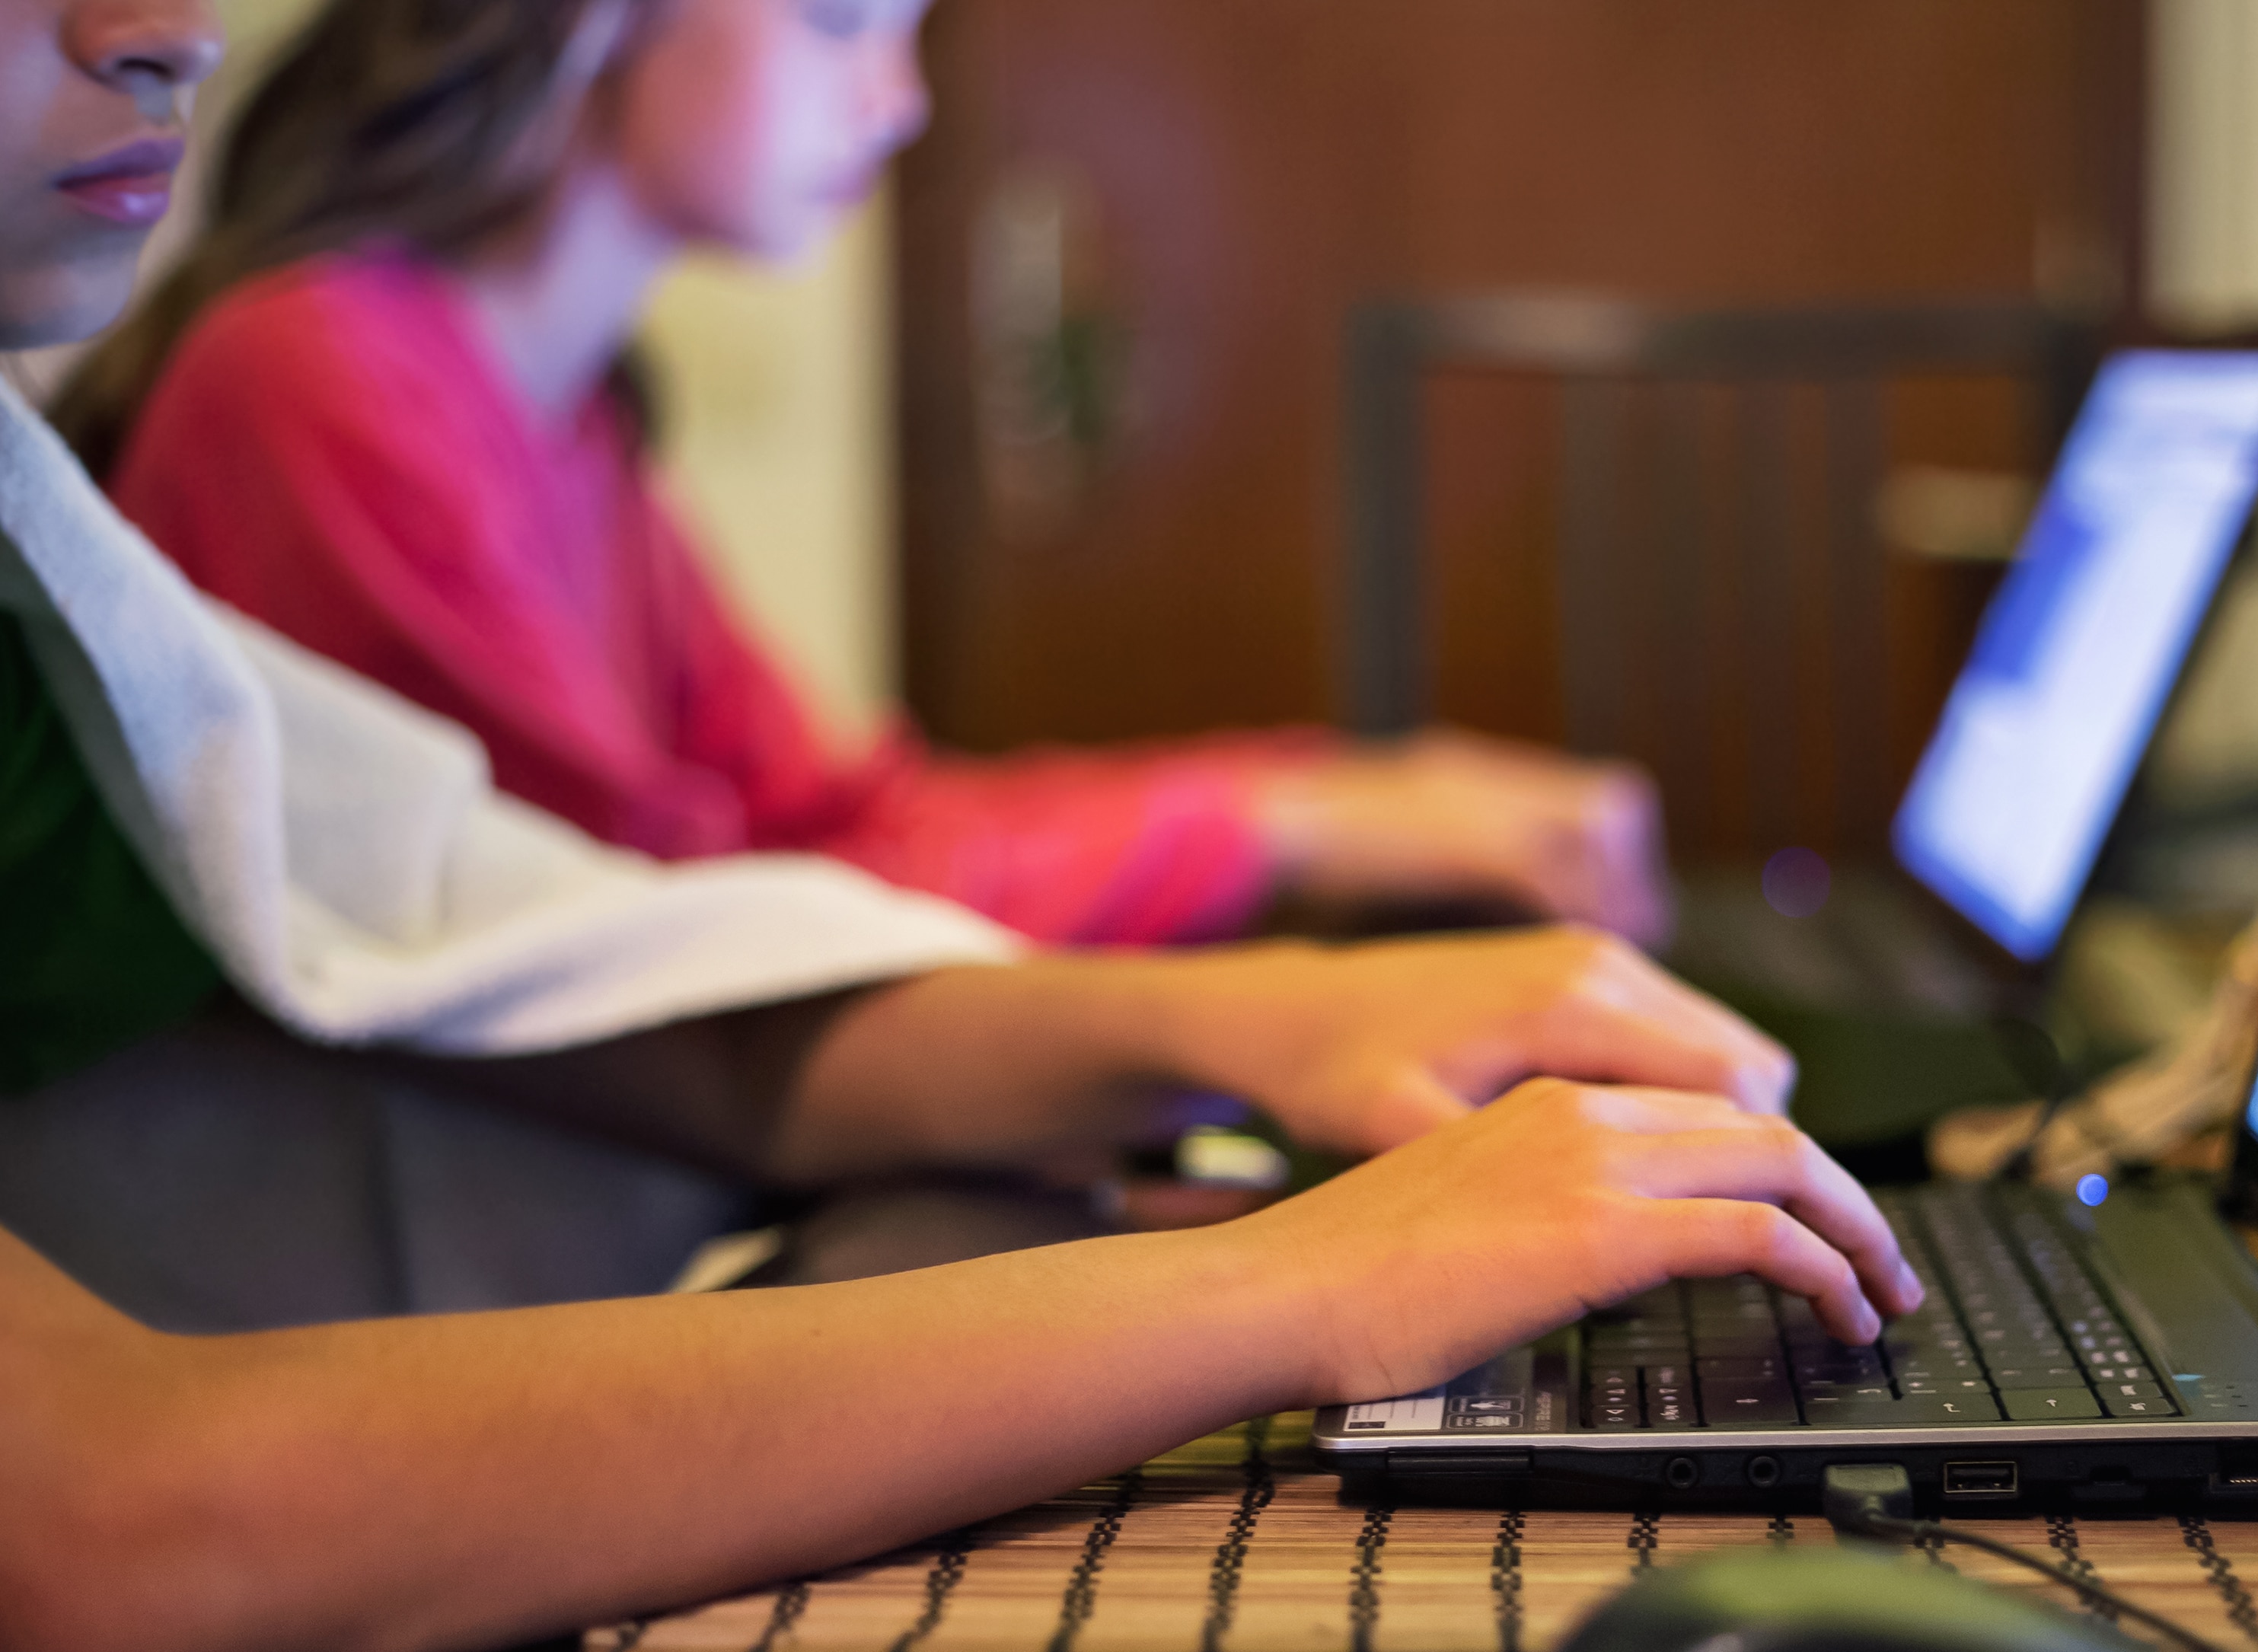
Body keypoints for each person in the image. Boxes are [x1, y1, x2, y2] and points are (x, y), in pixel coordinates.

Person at [0, 0, 1912, 1652]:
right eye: (840, 12)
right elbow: (131, 1534)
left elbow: (654, 947)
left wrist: (1270, 1019)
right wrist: (1305, 1245)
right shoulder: (318, 370)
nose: (176, 26)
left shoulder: (483, 420)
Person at [49, 0, 1670, 949]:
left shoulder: (566, 410)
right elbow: (680, 936)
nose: (900, 103)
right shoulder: (321, 377)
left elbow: (833, 816)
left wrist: (1334, 798)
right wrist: (1291, 830)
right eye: (840, 18)